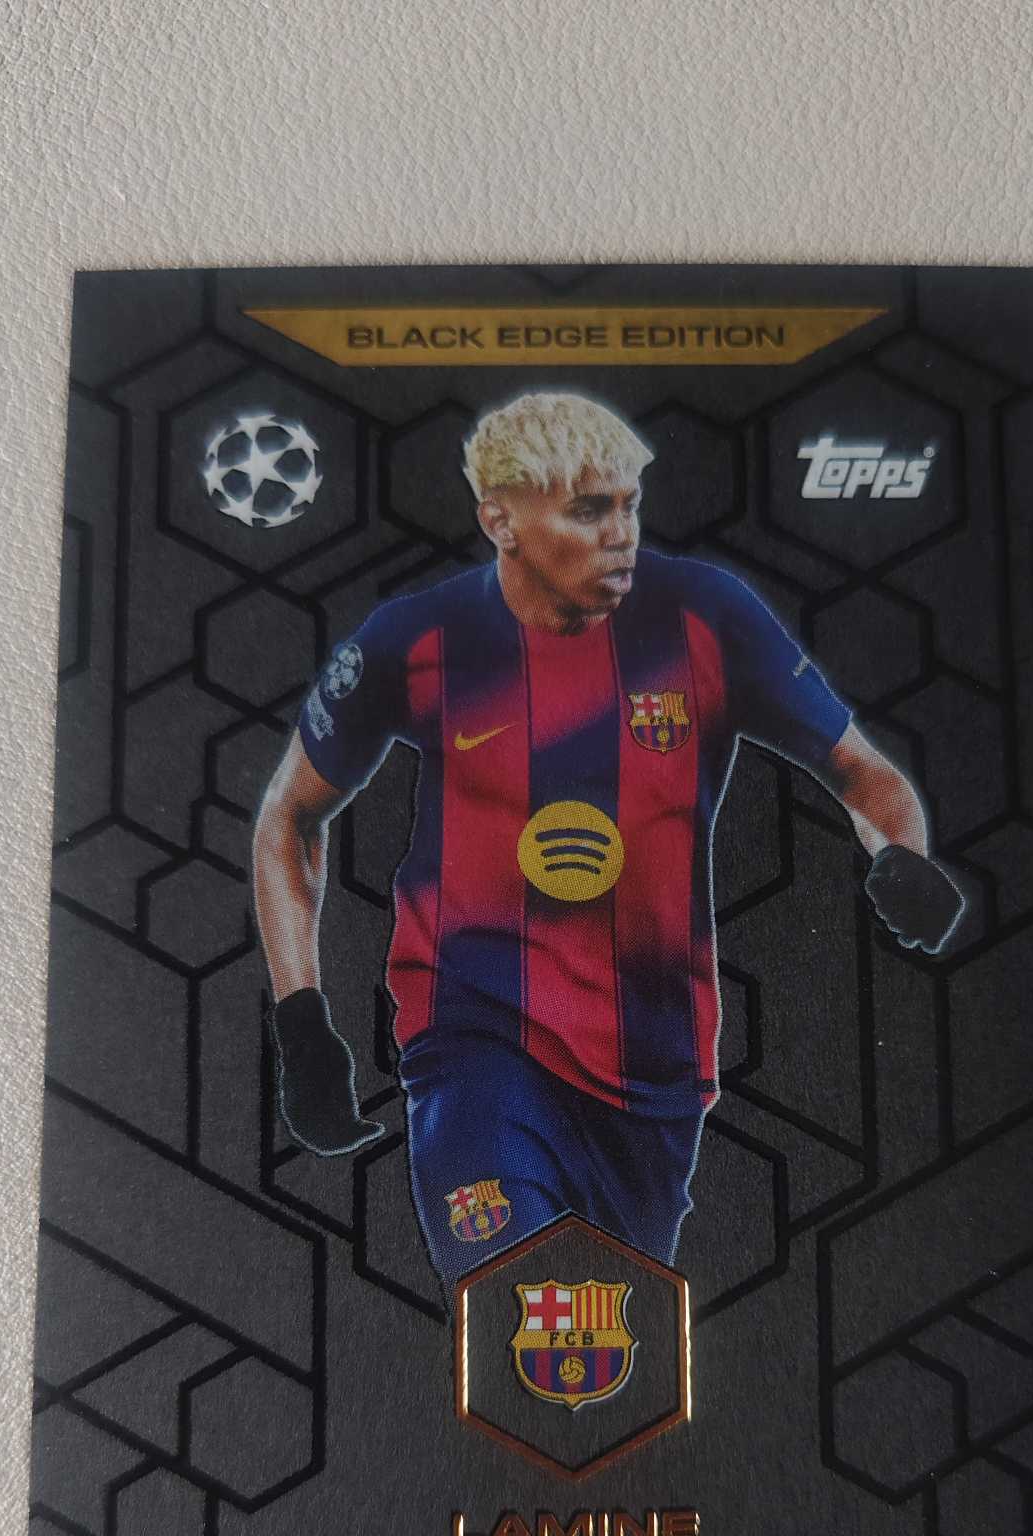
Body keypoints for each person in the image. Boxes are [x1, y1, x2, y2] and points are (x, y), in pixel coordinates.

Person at [253, 392, 963, 1288]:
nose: (621, 533)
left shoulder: (706, 616)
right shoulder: (415, 640)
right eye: (589, 511)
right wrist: (302, 1022)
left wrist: (904, 858)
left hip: (655, 1072)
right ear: (500, 522)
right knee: (524, 1311)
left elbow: (866, 774)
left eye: (629, 505)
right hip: (474, 1042)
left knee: (616, 1341)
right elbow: (288, 817)